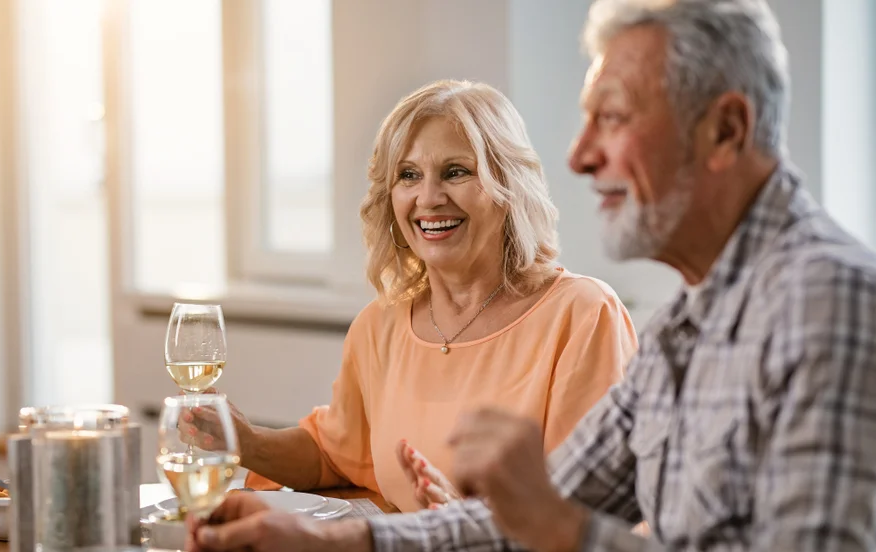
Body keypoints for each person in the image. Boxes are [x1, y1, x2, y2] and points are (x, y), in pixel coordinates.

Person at [189, 1, 876, 552]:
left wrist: (565, 534)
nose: (580, 155)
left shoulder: (838, 303)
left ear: (725, 130)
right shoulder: (689, 323)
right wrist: (340, 544)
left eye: (613, 117)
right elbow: (528, 519)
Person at [184, 79, 637, 512]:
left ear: (509, 187)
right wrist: (244, 442)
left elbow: (585, 515)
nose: (429, 197)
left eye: (455, 172)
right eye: (408, 175)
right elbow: (335, 453)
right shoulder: (379, 327)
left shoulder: (582, 315)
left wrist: (465, 519)